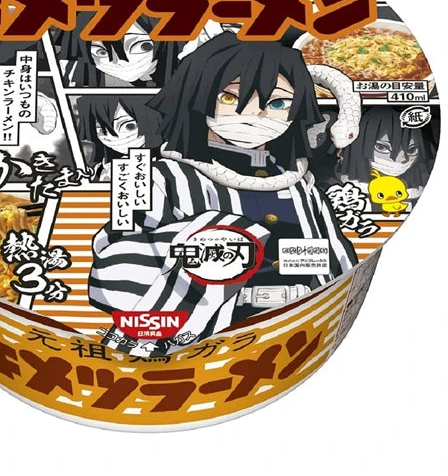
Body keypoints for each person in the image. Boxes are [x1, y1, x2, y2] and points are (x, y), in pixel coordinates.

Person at [88, 32, 358, 355]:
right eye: (229, 98)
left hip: (300, 332)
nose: (254, 115)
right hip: (194, 343)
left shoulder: (301, 184)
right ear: (197, 94)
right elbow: (109, 269)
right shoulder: (146, 174)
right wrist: (211, 243)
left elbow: (338, 262)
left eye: (277, 104)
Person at [330, 106, 435, 211]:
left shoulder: (426, 190)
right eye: (381, 148)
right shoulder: (339, 190)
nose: (401, 159)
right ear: (358, 146)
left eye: (411, 150)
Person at [57, 13, 182, 87]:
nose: (120, 61)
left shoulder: (183, 73)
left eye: (143, 46)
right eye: (102, 52)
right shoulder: (76, 73)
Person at [76, 95, 162, 181]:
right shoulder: (97, 170)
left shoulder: (161, 169)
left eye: (130, 126)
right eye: (101, 130)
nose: (113, 136)